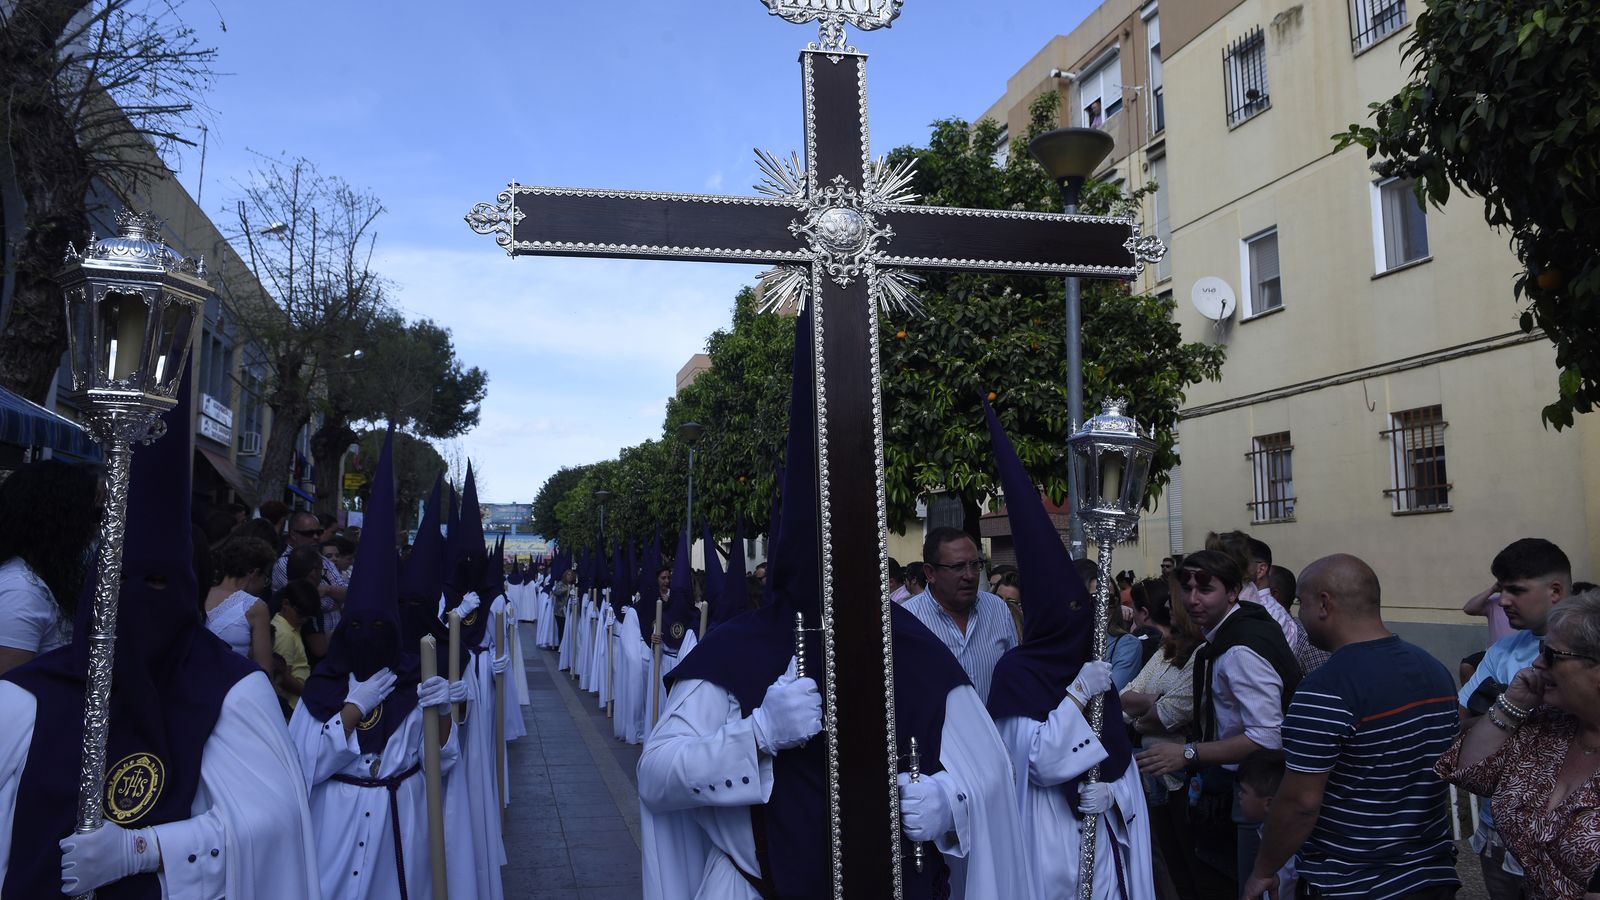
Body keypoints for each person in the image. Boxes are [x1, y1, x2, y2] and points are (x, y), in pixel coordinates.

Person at [640, 309, 1028, 899]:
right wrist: (758, 735)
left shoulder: (912, 646)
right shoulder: (737, 651)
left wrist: (952, 802)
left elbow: (991, 773)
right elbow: (656, 776)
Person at [0, 366, 320, 897]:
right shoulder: (23, 699)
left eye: (154, 582)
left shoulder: (231, 692)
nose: (134, 600)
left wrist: (143, 848)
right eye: (117, 581)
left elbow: (273, 823)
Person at [982, 401, 1152, 900]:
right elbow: (1040, 763)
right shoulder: (1016, 674)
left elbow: (1120, 764)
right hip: (1047, 843)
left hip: (1105, 849)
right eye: (1072, 612)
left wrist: (1115, 798)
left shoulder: (1092, 665)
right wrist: (1078, 692)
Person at [290, 427, 461, 900]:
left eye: (380, 627)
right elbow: (300, 769)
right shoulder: (320, 693)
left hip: (399, 831)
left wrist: (443, 713)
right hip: (334, 834)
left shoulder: (413, 684)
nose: (369, 637)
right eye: (358, 626)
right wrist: (350, 710)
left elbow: (441, 764)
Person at [1243, 554, 1459, 900]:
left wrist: (1262, 870)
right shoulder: (1433, 668)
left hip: (1353, 883)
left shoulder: (1325, 688)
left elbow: (1300, 803)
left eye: (1302, 603)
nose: (1299, 615)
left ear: (1324, 604)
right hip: (1431, 876)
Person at [1137, 549, 1300, 897]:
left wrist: (1188, 754)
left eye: (1205, 589)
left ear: (1231, 592)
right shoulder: (1239, 624)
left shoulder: (1239, 651)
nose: (1193, 599)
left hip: (1258, 794)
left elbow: (1268, 736)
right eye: (1186, 587)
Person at [1438, 588, 1600, 900]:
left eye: (1553, 655)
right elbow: (1472, 774)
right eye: (1541, 649)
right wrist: (1512, 703)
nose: (1538, 663)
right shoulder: (1550, 722)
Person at [1457, 537, 1572, 899]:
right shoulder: (1502, 650)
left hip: (1570, 841)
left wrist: (1498, 717)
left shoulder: (1589, 653)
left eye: (1516, 590)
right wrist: (1523, 711)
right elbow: (1460, 725)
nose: (1503, 601)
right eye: (1501, 589)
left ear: (1555, 590)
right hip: (1499, 833)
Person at [1122, 577, 1205, 900]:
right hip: (1154, 778)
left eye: (1175, 600)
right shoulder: (1164, 651)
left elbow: (1170, 713)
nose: (1168, 607)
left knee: (1194, 867)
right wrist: (1152, 704)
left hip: (1184, 779)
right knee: (1170, 864)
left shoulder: (1201, 655)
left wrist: (1146, 709)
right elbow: (1123, 699)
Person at [0, 458, 99, 675]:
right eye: (89, 517)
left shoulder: (39, 578)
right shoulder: (21, 591)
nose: (93, 530)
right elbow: (8, 686)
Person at [903, 526, 1019, 702]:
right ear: (930, 573)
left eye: (975, 565)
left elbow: (1015, 677)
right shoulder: (908, 620)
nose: (970, 575)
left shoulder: (998, 610)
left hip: (994, 728)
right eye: (957, 567)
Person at [204, 535, 275, 672]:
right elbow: (264, 667)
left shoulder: (201, 593)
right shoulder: (256, 607)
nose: (263, 585)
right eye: (265, 578)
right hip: (231, 686)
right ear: (253, 573)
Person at [1235, 750, 1295, 900]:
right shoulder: (1267, 832)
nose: (1239, 795)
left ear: (1268, 803)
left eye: (1244, 791)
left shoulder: (1285, 850)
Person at [273, 581, 319, 711]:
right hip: (291, 705)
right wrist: (310, 694)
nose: (303, 620)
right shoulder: (284, 634)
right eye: (300, 615)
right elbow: (283, 677)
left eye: (307, 617)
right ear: (285, 604)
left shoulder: (290, 626)